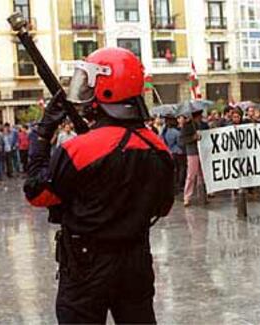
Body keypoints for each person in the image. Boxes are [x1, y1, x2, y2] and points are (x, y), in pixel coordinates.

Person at [23, 47, 174, 324]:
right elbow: (162, 207)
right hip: (136, 259)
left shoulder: (80, 148)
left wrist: (43, 134)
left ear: (106, 88)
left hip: (86, 264)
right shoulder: (159, 147)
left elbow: (37, 192)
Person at [180, 110, 208, 206]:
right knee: (191, 175)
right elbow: (182, 140)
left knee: (203, 174)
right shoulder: (187, 126)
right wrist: (193, 138)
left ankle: (203, 194)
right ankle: (187, 196)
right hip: (192, 152)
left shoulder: (204, 125)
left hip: (202, 151)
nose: (200, 117)